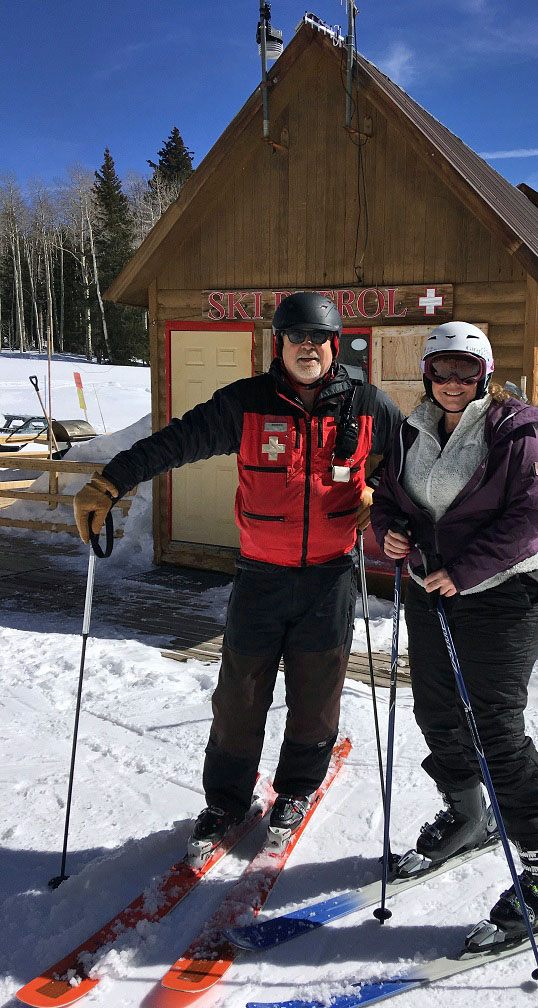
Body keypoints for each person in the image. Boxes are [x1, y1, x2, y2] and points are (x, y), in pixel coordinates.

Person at [74, 292, 402, 856]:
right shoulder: (246, 403)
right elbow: (175, 441)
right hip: (260, 577)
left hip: (330, 578)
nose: (308, 348)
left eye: (318, 339)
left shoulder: (370, 406)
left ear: (334, 344)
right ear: (280, 344)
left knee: (316, 694)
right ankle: (226, 800)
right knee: (239, 696)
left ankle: (296, 790)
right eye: (297, 338)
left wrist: (385, 499)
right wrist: (111, 480)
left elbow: (411, 468)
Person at [370, 321, 538, 945]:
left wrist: (464, 570)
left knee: (495, 727)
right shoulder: (412, 432)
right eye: (442, 371)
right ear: (427, 375)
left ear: (484, 376)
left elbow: (531, 518)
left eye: (466, 372)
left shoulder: (514, 434)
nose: (453, 383)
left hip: (504, 594)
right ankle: (466, 813)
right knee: (436, 709)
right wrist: (390, 531)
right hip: (435, 591)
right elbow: (388, 498)